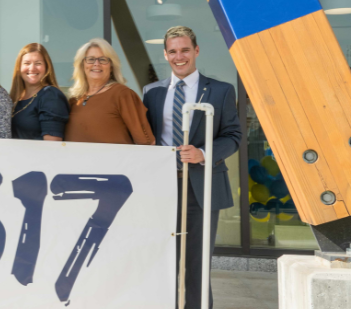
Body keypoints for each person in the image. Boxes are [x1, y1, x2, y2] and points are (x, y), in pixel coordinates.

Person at [142, 26, 240, 309]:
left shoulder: (220, 90)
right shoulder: (152, 92)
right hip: (163, 188)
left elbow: (233, 136)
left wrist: (203, 153)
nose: (179, 56)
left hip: (202, 186)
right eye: (172, 51)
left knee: (197, 260)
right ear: (165, 55)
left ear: (196, 51)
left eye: (185, 50)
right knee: (164, 259)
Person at [63, 38, 154, 145]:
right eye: (91, 59)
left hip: (115, 161)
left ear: (111, 66)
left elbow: (146, 141)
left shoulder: (122, 94)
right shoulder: (74, 99)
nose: (96, 64)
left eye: (103, 59)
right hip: (76, 160)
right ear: (82, 65)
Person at [8, 43, 69, 140]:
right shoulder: (15, 98)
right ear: (19, 68)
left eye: (38, 63)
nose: (32, 68)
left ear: (46, 67)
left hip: (38, 155)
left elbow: (52, 146)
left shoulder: (50, 96)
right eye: (27, 63)